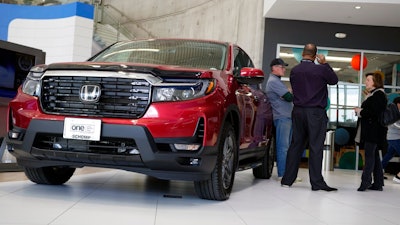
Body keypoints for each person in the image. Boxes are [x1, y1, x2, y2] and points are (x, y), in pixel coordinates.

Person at [280, 43, 338, 191]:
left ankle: (287, 180)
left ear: (303, 54)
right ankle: (317, 183)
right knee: (316, 147)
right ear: (315, 55)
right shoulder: (320, 69)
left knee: (296, 145)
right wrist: (325, 64)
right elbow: (334, 80)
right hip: (315, 113)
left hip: (298, 111)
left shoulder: (294, 70)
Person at [265, 58, 301, 182]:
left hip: (286, 117)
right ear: (274, 68)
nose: (284, 69)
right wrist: (289, 93)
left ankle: (287, 174)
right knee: (283, 147)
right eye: (281, 67)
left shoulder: (277, 81)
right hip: (282, 117)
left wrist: (288, 93)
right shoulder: (274, 81)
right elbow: (289, 97)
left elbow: (287, 96)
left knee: (287, 146)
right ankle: (283, 174)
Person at [354, 71, 387, 191]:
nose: (366, 82)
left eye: (368, 80)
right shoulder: (375, 94)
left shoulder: (378, 95)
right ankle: (378, 183)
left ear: (375, 82)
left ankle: (365, 182)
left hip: (373, 132)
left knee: (369, 157)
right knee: (374, 157)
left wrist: (360, 111)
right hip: (373, 131)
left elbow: (373, 113)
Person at [381, 97, 400, 172]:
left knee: (388, 155)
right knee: (389, 155)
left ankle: (378, 171)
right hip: (394, 138)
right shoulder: (393, 111)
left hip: (394, 138)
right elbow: (393, 124)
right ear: (398, 104)